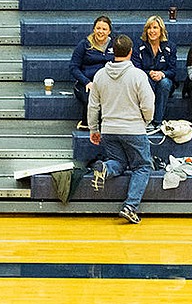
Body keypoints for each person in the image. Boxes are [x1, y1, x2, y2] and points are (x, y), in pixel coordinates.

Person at [88, 34, 154, 224]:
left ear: (112, 52)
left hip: (109, 129)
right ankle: (130, 206)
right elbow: (148, 105)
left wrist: (94, 128)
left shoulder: (100, 75)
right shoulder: (138, 75)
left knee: (117, 161)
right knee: (142, 166)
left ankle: (106, 169)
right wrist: (146, 121)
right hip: (134, 128)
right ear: (131, 52)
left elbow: (93, 106)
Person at [69, 15, 114, 130]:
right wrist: (87, 82)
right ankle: (87, 124)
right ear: (94, 29)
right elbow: (73, 67)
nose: (101, 32)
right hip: (87, 84)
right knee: (92, 100)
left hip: (109, 83)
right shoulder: (84, 44)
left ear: (109, 31)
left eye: (104, 29)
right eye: (98, 28)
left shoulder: (115, 45)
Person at [134, 16, 178, 131]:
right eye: (149, 28)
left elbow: (172, 71)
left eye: (155, 27)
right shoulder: (138, 46)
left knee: (164, 83)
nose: (152, 31)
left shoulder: (170, 47)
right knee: (145, 81)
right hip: (146, 80)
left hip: (164, 82)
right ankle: (146, 120)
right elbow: (135, 69)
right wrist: (149, 73)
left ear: (161, 30)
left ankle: (157, 121)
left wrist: (162, 74)